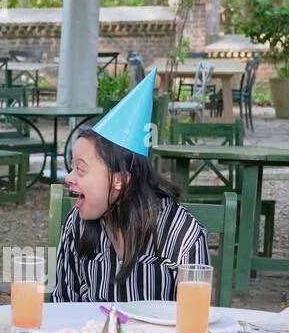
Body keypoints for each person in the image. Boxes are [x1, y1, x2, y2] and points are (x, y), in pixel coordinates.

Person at [52, 70, 213, 303]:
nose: (69, 177)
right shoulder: (76, 225)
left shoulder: (181, 233)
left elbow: (196, 318)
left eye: (81, 169)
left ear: (120, 179)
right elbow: (63, 304)